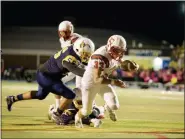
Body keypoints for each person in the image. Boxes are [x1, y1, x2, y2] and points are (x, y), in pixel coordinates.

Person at [6, 37, 95, 124]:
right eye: (85, 54)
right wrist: (92, 75)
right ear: (78, 49)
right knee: (70, 95)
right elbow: (75, 70)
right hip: (48, 77)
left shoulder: (74, 49)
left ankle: (12, 99)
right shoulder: (70, 57)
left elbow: (83, 63)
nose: (86, 56)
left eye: (87, 54)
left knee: (40, 95)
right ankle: (56, 115)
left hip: (45, 74)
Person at [74, 35, 139, 128]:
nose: (119, 53)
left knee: (114, 106)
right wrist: (115, 82)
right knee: (86, 111)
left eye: (121, 51)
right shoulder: (99, 57)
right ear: (109, 46)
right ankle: (77, 117)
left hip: (103, 81)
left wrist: (131, 65)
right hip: (90, 83)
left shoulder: (116, 54)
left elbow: (123, 64)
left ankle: (107, 107)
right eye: (116, 50)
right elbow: (97, 79)